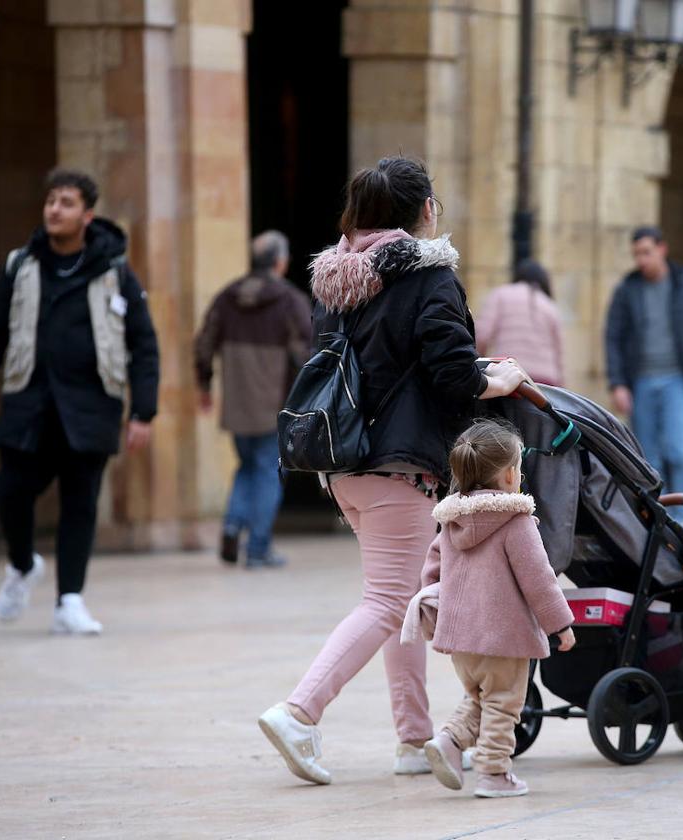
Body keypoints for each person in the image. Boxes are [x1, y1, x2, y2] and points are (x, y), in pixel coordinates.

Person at [256, 155, 529, 786]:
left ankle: (413, 741)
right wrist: (502, 378)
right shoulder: (428, 279)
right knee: (387, 601)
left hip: (345, 464)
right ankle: (300, 713)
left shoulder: (336, 282)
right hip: (398, 466)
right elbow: (452, 374)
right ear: (424, 209)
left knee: (403, 599)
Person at [0, 168, 160, 634]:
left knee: (80, 503)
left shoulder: (114, 270)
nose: (53, 210)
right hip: (31, 403)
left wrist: (143, 411)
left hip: (92, 405)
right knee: (10, 492)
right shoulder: (22, 266)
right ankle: (22, 564)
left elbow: (144, 343)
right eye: (50, 201)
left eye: (65, 202)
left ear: (87, 214)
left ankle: (70, 601)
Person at [413, 419, 575, 799]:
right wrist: (561, 624)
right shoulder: (516, 523)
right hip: (504, 637)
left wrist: (436, 615)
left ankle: (451, 741)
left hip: (461, 640)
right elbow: (539, 579)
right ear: (509, 475)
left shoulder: (452, 521)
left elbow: (430, 571)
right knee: (503, 706)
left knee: (479, 697)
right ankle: (494, 774)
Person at [194, 230, 311, 568]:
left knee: (247, 467)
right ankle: (258, 548)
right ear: (280, 261)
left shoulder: (226, 297)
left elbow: (203, 344)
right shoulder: (289, 301)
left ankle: (232, 525)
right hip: (275, 404)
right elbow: (305, 354)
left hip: (237, 404)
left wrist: (204, 384)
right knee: (268, 472)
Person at [604, 227, 683, 498]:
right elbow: (613, 337)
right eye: (637, 254)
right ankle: (656, 525)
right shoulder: (627, 289)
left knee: (681, 451)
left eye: (647, 252)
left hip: (679, 380)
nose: (642, 260)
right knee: (647, 459)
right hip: (641, 381)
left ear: (662, 249)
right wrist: (618, 383)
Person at [475, 259, 565, 386]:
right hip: (547, 381)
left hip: (510, 375)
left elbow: (482, 335)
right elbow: (558, 354)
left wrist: (476, 365)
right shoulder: (549, 305)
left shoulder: (501, 295)